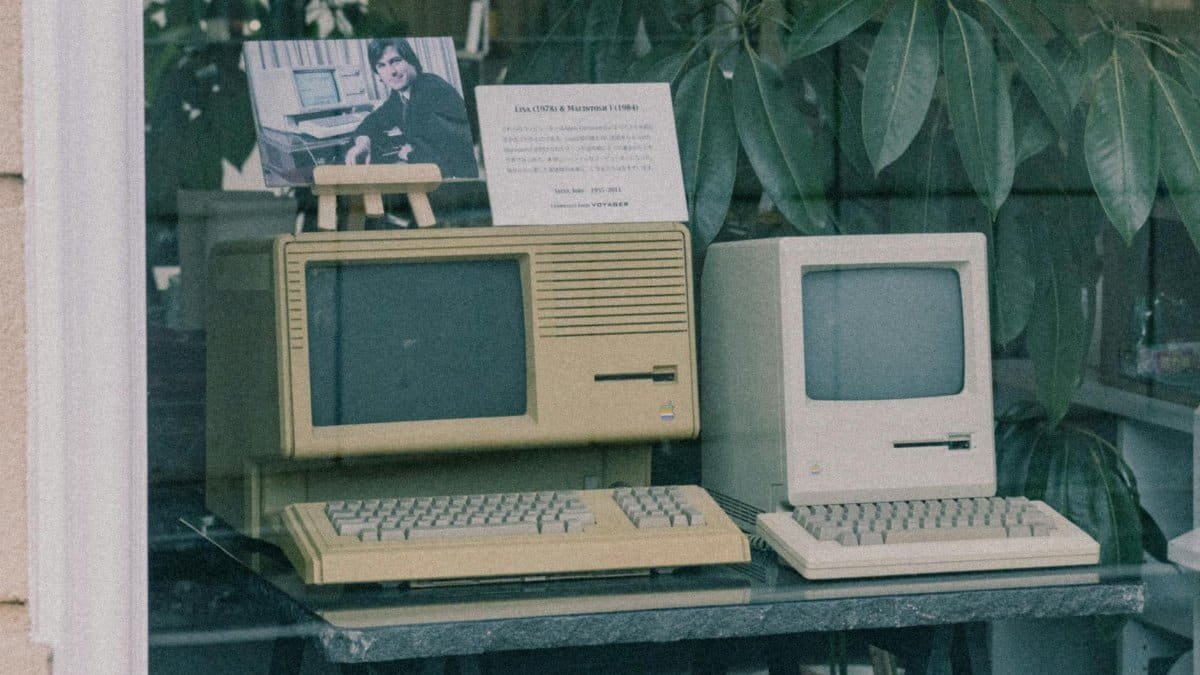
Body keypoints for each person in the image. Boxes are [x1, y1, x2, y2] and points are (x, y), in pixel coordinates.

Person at [344, 38, 479, 178]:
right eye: (381, 66)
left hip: (459, 178)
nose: (391, 71)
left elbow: (449, 155)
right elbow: (375, 120)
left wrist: (409, 154)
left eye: (395, 61)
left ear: (411, 60)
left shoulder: (432, 89)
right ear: (378, 74)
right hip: (437, 173)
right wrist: (363, 143)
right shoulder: (399, 96)